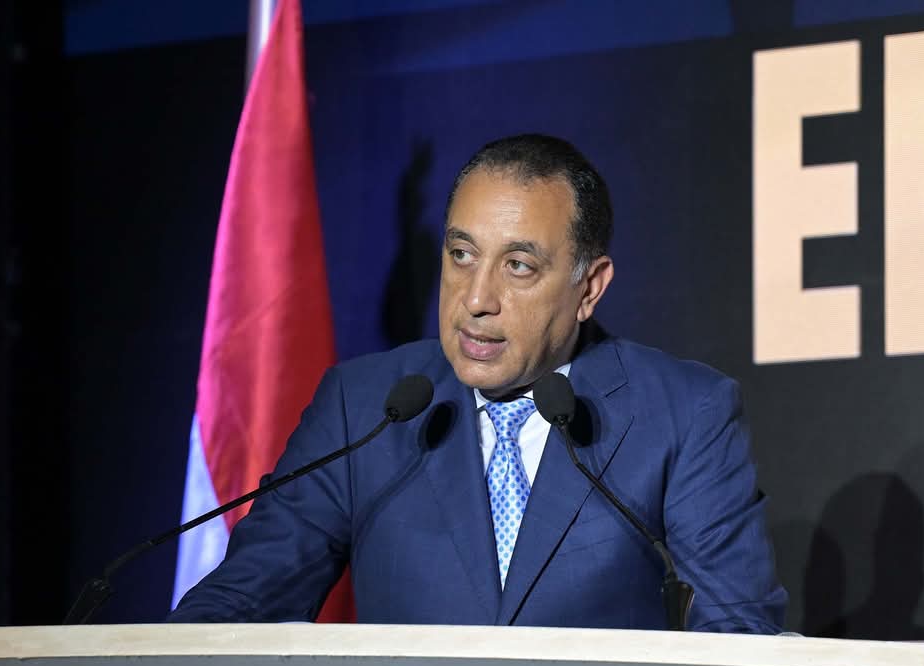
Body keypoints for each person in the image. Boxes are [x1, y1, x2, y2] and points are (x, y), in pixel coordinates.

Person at [168, 133, 786, 634]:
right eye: (461, 255)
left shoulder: (682, 415)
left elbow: (735, 637)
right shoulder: (366, 407)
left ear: (589, 288)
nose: (476, 298)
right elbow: (243, 600)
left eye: (518, 266)